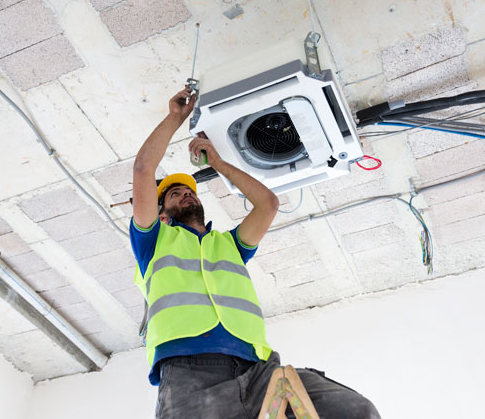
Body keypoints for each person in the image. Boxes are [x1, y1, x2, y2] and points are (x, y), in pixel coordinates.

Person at [131, 87, 381, 418]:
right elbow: (143, 170)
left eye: (189, 191)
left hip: (260, 370)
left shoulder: (229, 246)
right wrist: (175, 118)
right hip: (190, 375)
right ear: (162, 214)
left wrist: (218, 162)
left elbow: (268, 203)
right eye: (175, 194)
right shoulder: (152, 244)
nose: (186, 195)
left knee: (355, 411)